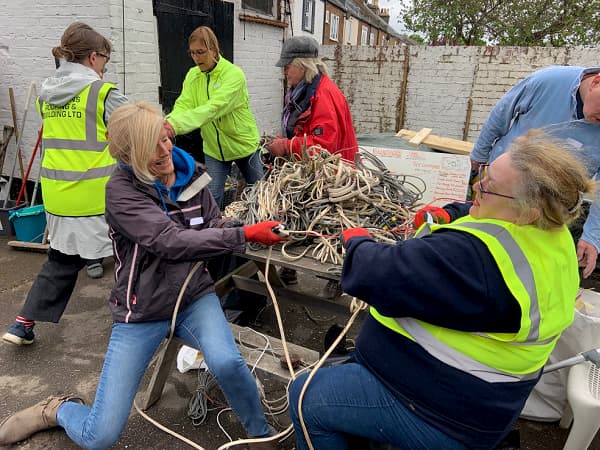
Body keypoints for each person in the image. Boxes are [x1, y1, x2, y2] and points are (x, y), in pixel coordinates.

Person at [0, 102, 286, 449]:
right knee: (99, 437)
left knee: (227, 361)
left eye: (165, 138)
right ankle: (56, 410)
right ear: (128, 152)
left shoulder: (192, 172)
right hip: (141, 311)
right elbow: (168, 241)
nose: (166, 149)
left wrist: (247, 225)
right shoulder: (121, 191)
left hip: (193, 298)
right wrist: (246, 235)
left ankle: (260, 434)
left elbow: (211, 224)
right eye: (152, 145)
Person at [288, 130, 595, 450]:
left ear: (527, 210)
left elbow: (374, 273)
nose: (477, 186)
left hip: (441, 413)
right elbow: (483, 215)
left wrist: (357, 240)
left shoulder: (475, 261)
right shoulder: (553, 234)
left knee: (304, 397)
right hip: (485, 400)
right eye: (483, 174)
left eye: (490, 186)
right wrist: (450, 212)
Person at [2, 22, 127, 346]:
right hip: (95, 196)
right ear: (94, 57)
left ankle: (22, 323)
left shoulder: (48, 93)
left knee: (61, 260)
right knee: (131, 255)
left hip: (56, 195)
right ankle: (134, 322)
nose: (105, 68)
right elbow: (134, 130)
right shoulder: (101, 93)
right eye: (105, 61)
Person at [470, 65, 600, 278]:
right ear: (596, 82)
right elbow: (502, 114)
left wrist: (593, 237)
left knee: (525, 269)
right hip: (500, 191)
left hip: (550, 212)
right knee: (481, 246)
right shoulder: (548, 81)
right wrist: (479, 155)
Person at [266, 35, 359, 294]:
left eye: (288, 66)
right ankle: (290, 267)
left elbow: (324, 147)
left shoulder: (323, 95)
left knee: (332, 221)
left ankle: (337, 276)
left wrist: (286, 147)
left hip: (333, 173)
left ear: (303, 65)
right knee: (297, 212)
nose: (284, 71)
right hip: (311, 171)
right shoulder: (306, 90)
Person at [164, 26, 263, 209]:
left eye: (201, 52)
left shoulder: (234, 75)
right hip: (214, 150)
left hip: (244, 145)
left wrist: (175, 125)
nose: (196, 58)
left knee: (260, 192)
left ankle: (262, 230)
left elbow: (214, 108)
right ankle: (215, 234)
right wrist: (168, 122)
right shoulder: (193, 75)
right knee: (213, 196)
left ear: (214, 50)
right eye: (192, 53)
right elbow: (184, 104)